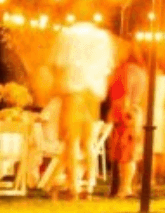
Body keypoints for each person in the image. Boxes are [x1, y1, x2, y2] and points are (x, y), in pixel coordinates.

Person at [45, 21, 115, 200]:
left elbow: (57, 66)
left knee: (71, 141)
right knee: (88, 143)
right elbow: (107, 69)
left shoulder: (68, 35)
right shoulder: (102, 38)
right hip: (92, 95)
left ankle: (73, 186)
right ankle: (90, 184)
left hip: (74, 94)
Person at [106, 50, 149, 199]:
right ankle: (126, 186)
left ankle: (125, 188)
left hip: (125, 114)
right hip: (136, 113)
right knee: (130, 153)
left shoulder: (126, 71)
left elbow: (124, 92)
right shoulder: (142, 73)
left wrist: (119, 114)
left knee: (124, 154)